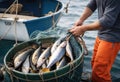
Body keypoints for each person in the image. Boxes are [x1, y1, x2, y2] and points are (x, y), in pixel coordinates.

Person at [69, 0, 120, 82]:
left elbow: (107, 22)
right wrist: (81, 20)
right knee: (94, 64)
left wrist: (83, 28)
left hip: (112, 38)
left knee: (100, 72)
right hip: (101, 34)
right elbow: (93, 4)